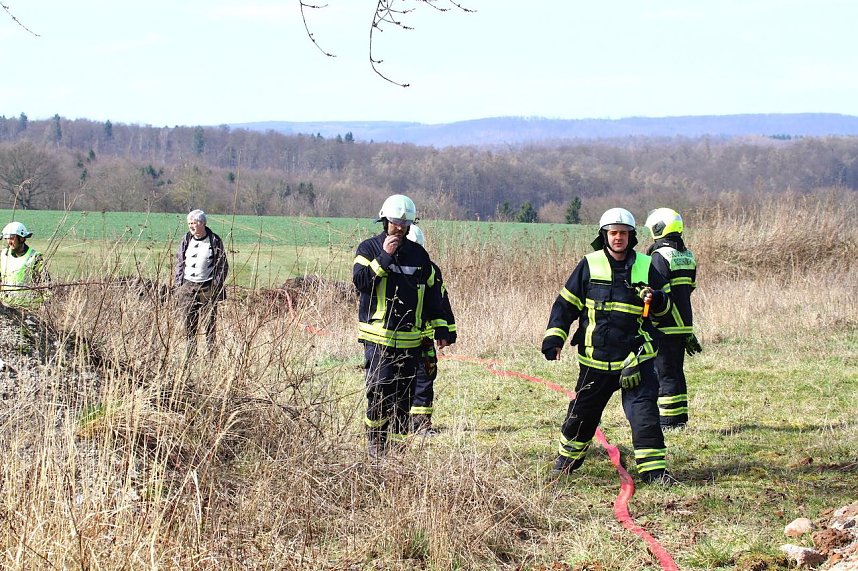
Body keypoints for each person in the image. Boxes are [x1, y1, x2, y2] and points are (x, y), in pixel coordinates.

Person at [542, 208, 676, 484]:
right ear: (604, 235)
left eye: (623, 233)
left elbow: (667, 311)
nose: (618, 238)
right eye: (613, 233)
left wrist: (658, 299)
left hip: (636, 360)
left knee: (645, 417)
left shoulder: (646, 266)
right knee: (581, 416)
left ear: (631, 236)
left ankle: (654, 472)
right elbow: (566, 305)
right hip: (595, 361)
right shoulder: (589, 265)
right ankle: (566, 463)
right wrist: (554, 338)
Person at [353, 195, 451, 456]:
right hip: (379, 338)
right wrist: (384, 257)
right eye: (396, 223)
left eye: (405, 224)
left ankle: (396, 452)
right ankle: (376, 443)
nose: (400, 228)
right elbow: (361, 282)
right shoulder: (368, 249)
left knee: (403, 399)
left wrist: (442, 328)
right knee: (379, 390)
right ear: (385, 220)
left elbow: (433, 295)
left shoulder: (419, 255)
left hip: (410, 339)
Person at [644, 208, 700, 429]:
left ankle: (668, 421)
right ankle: (680, 419)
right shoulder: (688, 256)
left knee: (664, 374)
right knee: (676, 373)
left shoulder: (660, 256)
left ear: (658, 228)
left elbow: (660, 293)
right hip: (684, 324)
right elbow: (690, 288)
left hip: (665, 325)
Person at [405, 224, 457, 435]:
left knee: (425, 377)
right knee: (398, 380)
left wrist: (447, 331)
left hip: (423, 337)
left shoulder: (430, 269)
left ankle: (420, 424)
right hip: (396, 337)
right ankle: (397, 421)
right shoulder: (392, 267)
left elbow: (441, 300)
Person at [174, 209, 229, 355]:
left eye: (194, 223)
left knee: (209, 325)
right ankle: (190, 356)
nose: (191, 226)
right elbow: (179, 262)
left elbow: (223, 265)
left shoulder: (215, 240)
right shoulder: (186, 239)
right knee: (189, 325)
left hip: (208, 288)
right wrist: (179, 285)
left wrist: (215, 285)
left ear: (203, 223)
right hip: (187, 287)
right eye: (189, 223)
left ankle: (211, 357)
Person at [0, 221, 48, 308]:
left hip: (29, 309)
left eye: (12, 238)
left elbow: (47, 285)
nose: (9, 242)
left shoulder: (34, 258)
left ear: (22, 238)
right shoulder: (3, 255)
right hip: (6, 308)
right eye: (7, 239)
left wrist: (46, 306)